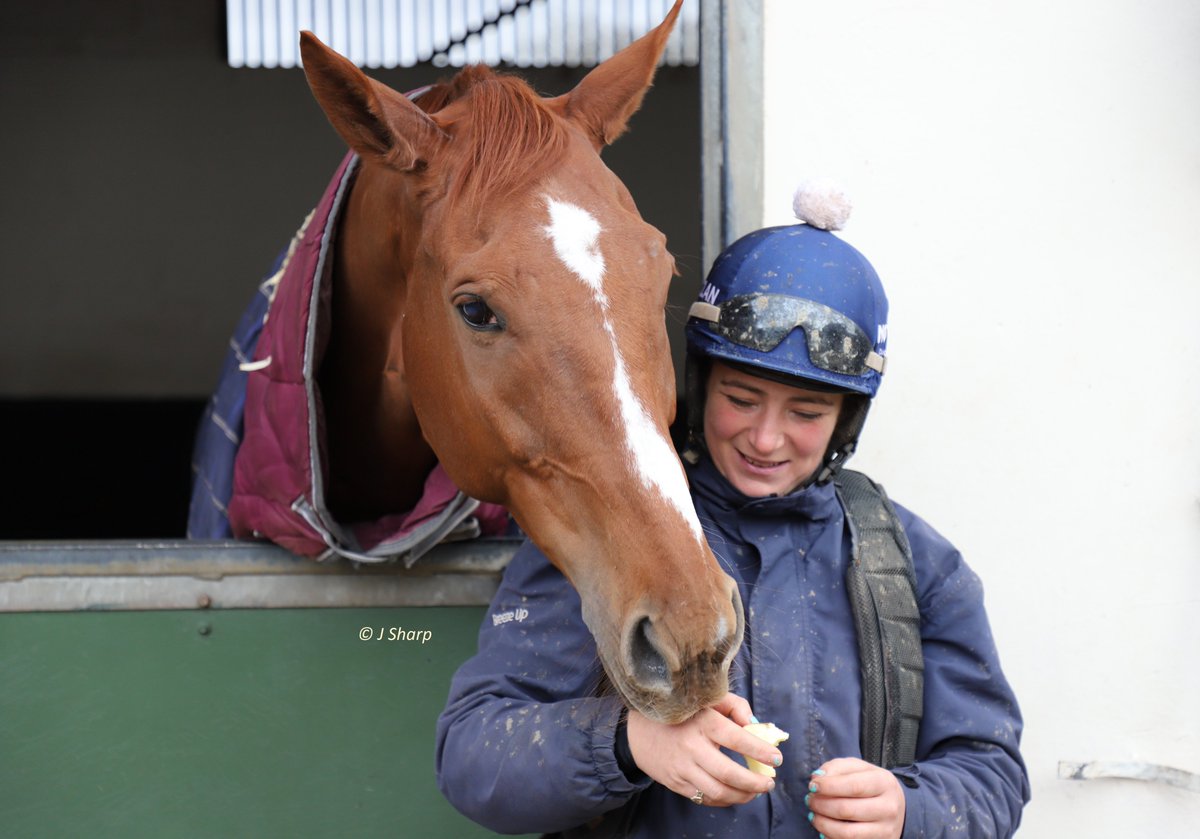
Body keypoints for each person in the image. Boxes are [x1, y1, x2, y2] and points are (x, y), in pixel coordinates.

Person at [435, 187, 1030, 838]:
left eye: (806, 413)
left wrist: (909, 809)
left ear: (845, 423)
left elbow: (991, 771)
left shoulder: (918, 565)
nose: (766, 438)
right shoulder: (610, 531)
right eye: (742, 398)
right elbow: (472, 754)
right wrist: (628, 745)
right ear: (699, 384)